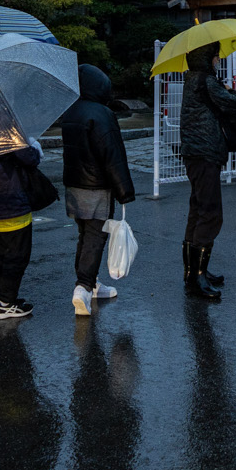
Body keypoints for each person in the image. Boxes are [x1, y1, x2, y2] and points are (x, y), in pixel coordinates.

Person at [59, 64, 136, 314]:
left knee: (85, 234)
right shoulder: (102, 113)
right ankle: (83, 287)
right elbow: (113, 155)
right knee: (96, 236)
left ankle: (90, 284)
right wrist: (124, 191)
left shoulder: (71, 112)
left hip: (74, 185)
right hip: (96, 187)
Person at [176, 43, 236, 302]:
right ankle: (197, 277)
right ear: (207, 58)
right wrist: (230, 90)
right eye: (216, 56)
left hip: (194, 153)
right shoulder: (206, 81)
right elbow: (233, 103)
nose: (217, 60)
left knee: (198, 209)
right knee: (210, 213)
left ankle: (192, 272)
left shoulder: (192, 79)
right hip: (205, 153)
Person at [0, 123, 43, 320]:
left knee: (2, 254)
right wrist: (33, 147)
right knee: (17, 255)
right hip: (11, 200)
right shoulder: (6, 129)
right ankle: (6, 303)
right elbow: (28, 158)